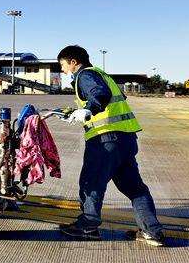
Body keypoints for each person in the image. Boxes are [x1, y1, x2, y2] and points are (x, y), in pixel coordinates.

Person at [56, 45, 165, 246]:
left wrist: (89, 109)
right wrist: (78, 111)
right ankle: (151, 232)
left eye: (62, 65)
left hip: (105, 141)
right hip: (125, 140)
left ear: (73, 62)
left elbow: (100, 95)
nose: (62, 70)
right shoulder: (101, 73)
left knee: (92, 184)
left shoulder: (85, 75)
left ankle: (87, 227)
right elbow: (106, 98)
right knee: (135, 189)